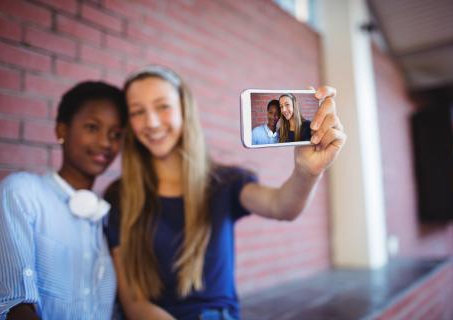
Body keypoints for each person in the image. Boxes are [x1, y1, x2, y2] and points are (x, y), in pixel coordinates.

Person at [104, 66, 346, 320]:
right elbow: (134, 303)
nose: (151, 122)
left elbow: (281, 206)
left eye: (163, 106)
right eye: (137, 112)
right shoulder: (119, 195)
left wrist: (306, 171)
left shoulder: (225, 182)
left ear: (185, 110)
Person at [0, 81, 127, 320]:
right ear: (62, 130)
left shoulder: (106, 219)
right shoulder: (23, 194)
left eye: (115, 134)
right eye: (92, 127)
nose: (106, 143)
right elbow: (13, 306)